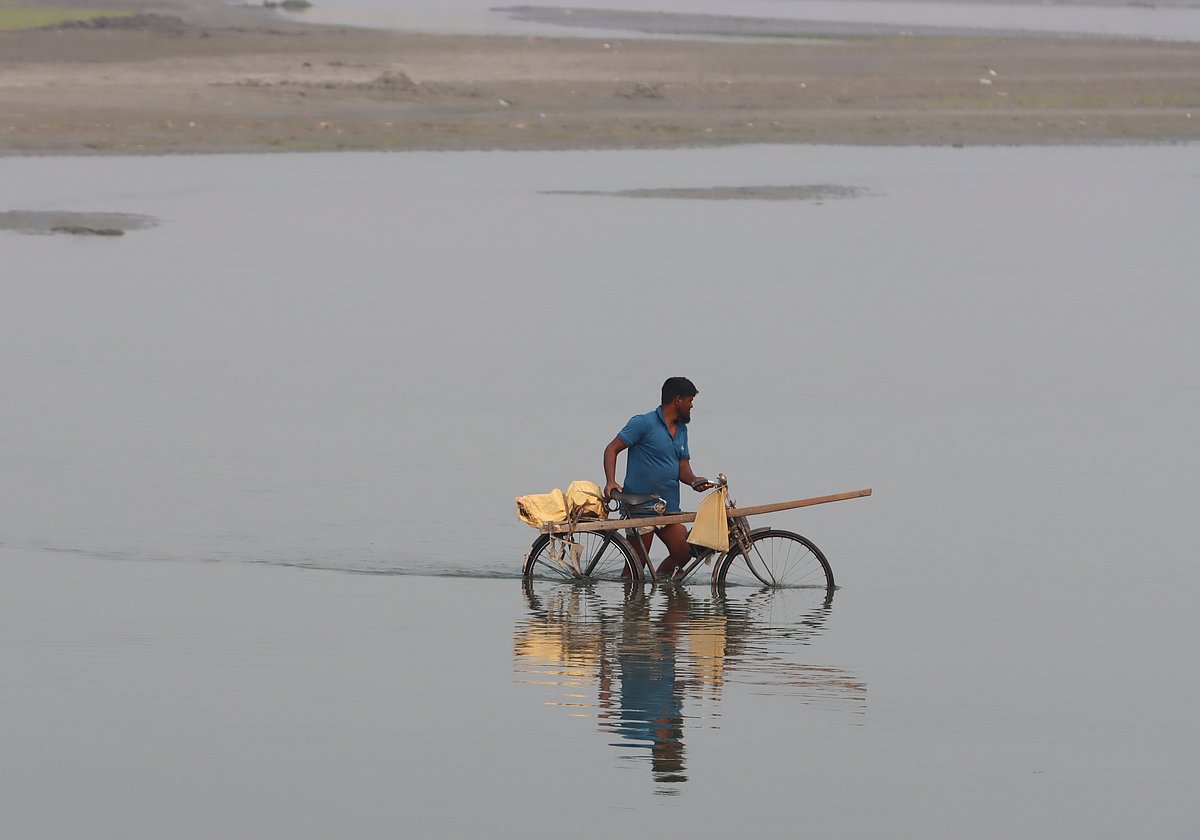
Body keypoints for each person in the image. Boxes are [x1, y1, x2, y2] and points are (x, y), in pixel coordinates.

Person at [603, 376, 713, 578]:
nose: (691, 406)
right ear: (678, 400)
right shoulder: (643, 423)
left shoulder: (681, 429)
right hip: (641, 508)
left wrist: (694, 480)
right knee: (636, 568)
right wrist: (611, 481)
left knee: (683, 555)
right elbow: (612, 449)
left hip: (667, 507)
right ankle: (633, 606)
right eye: (690, 401)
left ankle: (665, 589)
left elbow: (683, 467)